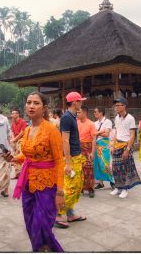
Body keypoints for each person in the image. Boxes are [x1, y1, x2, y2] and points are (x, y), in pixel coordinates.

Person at [3, 91, 64, 252]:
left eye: (36, 103)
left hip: (47, 183)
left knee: (42, 222)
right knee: (29, 221)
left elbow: (59, 160)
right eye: (29, 102)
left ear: (44, 108)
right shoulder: (28, 130)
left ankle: (50, 248)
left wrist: (60, 191)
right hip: (28, 182)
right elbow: (27, 154)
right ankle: (40, 248)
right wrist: (14, 158)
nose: (31, 106)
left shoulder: (51, 130)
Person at [55, 91, 87, 228]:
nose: (81, 103)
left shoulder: (72, 116)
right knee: (70, 187)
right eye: (80, 101)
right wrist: (68, 163)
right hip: (71, 158)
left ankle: (70, 213)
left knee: (78, 185)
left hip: (76, 156)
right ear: (74, 102)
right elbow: (65, 141)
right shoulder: (67, 118)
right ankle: (57, 214)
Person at [110, 98, 141, 198]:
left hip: (125, 145)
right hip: (117, 144)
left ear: (124, 106)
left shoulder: (130, 118)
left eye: (119, 105)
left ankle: (125, 188)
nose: (116, 107)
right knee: (115, 167)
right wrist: (112, 145)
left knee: (125, 168)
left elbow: (132, 135)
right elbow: (116, 132)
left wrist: (127, 149)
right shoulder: (116, 118)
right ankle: (118, 187)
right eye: (116, 105)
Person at [93, 106, 115, 190]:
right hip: (97, 144)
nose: (94, 113)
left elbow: (107, 134)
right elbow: (94, 133)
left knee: (106, 163)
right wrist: (101, 132)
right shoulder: (95, 123)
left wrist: (97, 133)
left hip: (104, 144)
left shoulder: (107, 121)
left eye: (96, 112)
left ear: (101, 112)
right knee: (97, 164)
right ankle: (100, 182)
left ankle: (112, 181)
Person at [77, 105, 96, 198]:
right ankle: (81, 187)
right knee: (79, 169)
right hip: (78, 148)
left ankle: (90, 189)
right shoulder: (76, 123)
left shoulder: (91, 124)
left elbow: (93, 139)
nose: (78, 114)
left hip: (88, 148)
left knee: (89, 169)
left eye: (79, 112)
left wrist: (92, 152)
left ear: (85, 113)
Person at [10, 108, 27, 179]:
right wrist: (13, 139)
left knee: (20, 157)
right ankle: (17, 174)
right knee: (15, 157)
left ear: (18, 114)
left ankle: (22, 174)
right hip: (15, 141)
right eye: (12, 113)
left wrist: (15, 139)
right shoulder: (13, 123)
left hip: (21, 141)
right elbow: (12, 131)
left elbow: (22, 132)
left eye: (15, 113)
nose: (13, 114)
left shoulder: (22, 122)